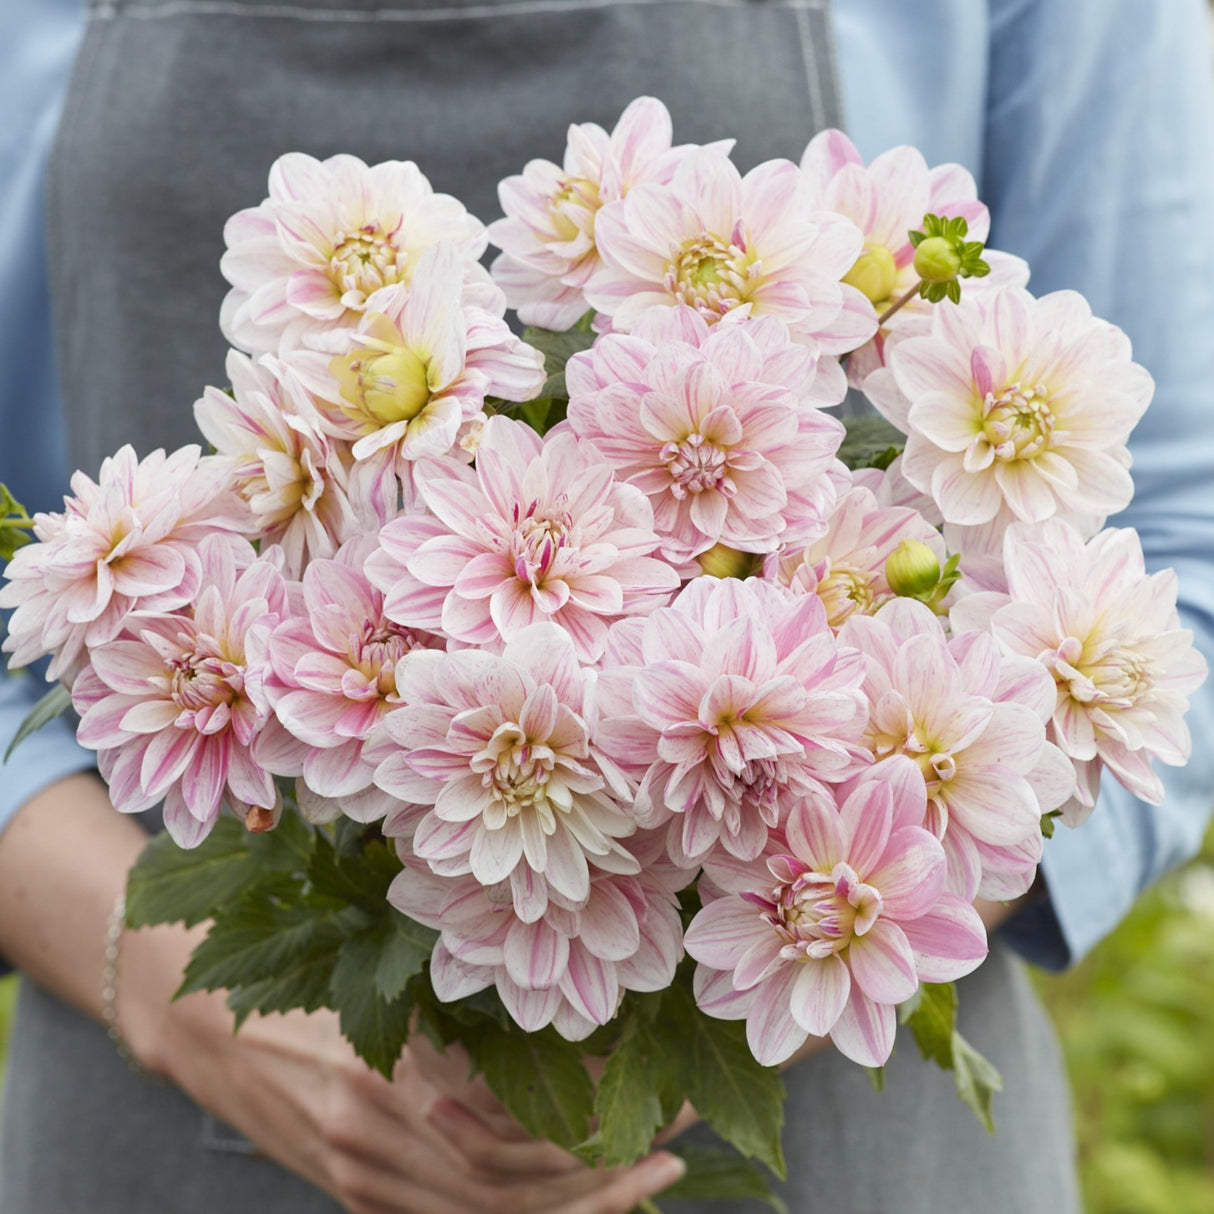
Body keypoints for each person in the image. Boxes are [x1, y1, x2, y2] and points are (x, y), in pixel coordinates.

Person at [2, 0, 1213, 1210]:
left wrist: (831, 911)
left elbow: (1183, 551)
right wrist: (177, 990)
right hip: (164, 1105)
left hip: (830, 1085)